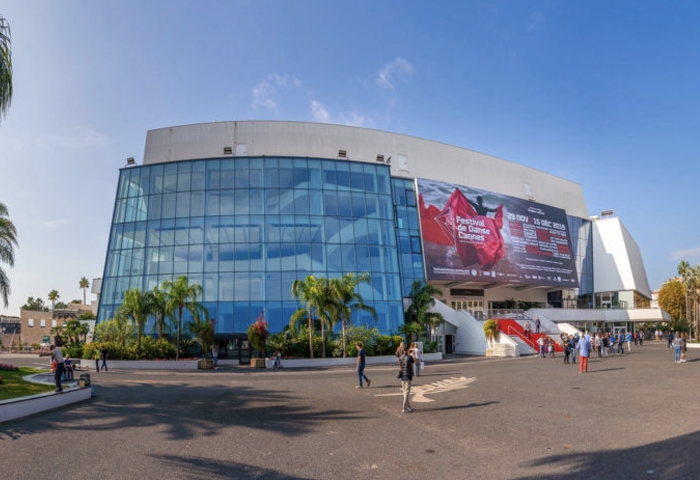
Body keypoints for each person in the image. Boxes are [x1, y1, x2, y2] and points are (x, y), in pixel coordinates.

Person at [397, 346, 415, 413]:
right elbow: (414, 363)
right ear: (407, 350)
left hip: (402, 376)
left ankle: (408, 406)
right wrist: (413, 354)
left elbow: (400, 367)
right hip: (408, 376)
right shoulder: (409, 357)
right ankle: (404, 407)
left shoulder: (400, 357)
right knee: (407, 392)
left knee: (405, 392)